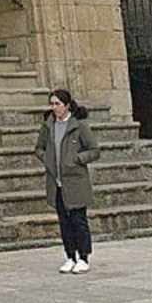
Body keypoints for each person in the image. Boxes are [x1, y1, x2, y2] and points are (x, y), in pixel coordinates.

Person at [36, 87, 100, 274]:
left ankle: (84, 256)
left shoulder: (78, 125)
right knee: (64, 221)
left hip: (75, 181)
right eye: (52, 104)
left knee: (78, 220)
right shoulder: (48, 126)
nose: (54, 107)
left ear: (67, 105)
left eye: (58, 104)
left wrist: (78, 159)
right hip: (56, 181)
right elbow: (39, 147)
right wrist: (46, 159)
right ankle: (70, 255)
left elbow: (94, 150)